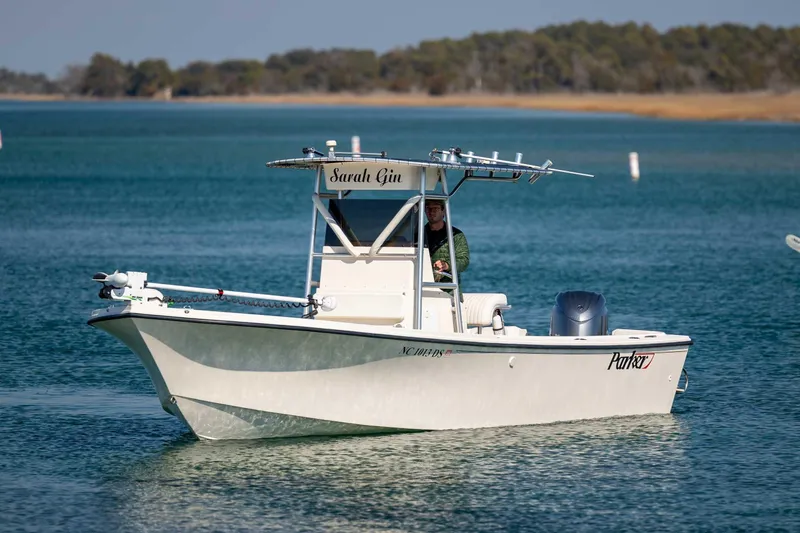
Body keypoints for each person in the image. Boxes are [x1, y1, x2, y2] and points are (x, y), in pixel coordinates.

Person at [424, 199, 469, 283]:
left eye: (435, 208)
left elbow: (464, 261)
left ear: (443, 211)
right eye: (428, 208)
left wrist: (447, 265)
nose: (431, 211)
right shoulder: (418, 234)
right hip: (423, 287)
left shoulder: (456, 235)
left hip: (448, 290)